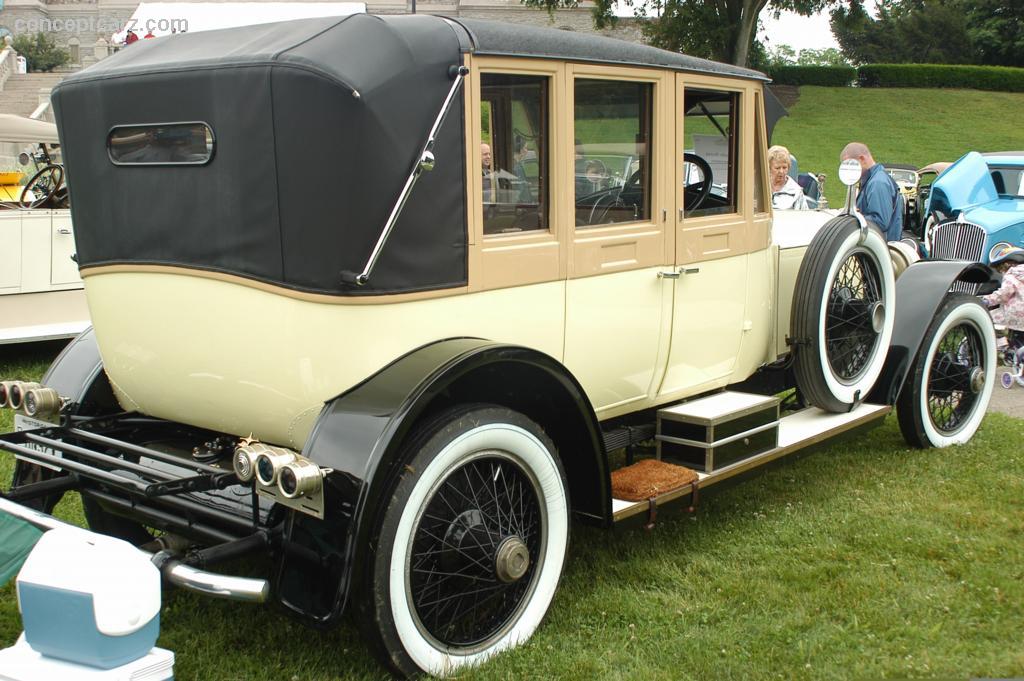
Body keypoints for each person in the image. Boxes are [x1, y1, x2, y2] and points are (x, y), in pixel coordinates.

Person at [840, 142, 903, 241]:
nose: (849, 170)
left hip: (882, 250)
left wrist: (851, 218)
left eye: (851, 164)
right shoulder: (872, 180)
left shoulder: (878, 182)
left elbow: (880, 222)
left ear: (862, 159)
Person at [982, 245, 1024, 332]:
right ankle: (1015, 344)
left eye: (1000, 269)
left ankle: (998, 343)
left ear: (1006, 264)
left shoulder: (1012, 274)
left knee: (987, 318)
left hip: (1016, 315)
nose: (1001, 272)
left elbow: (1003, 294)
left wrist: (987, 300)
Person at [767, 145, 807, 210]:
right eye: (777, 168)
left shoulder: (796, 192)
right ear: (769, 168)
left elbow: (804, 216)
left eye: (784, 167)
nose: (781, 171)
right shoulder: (759, 187)